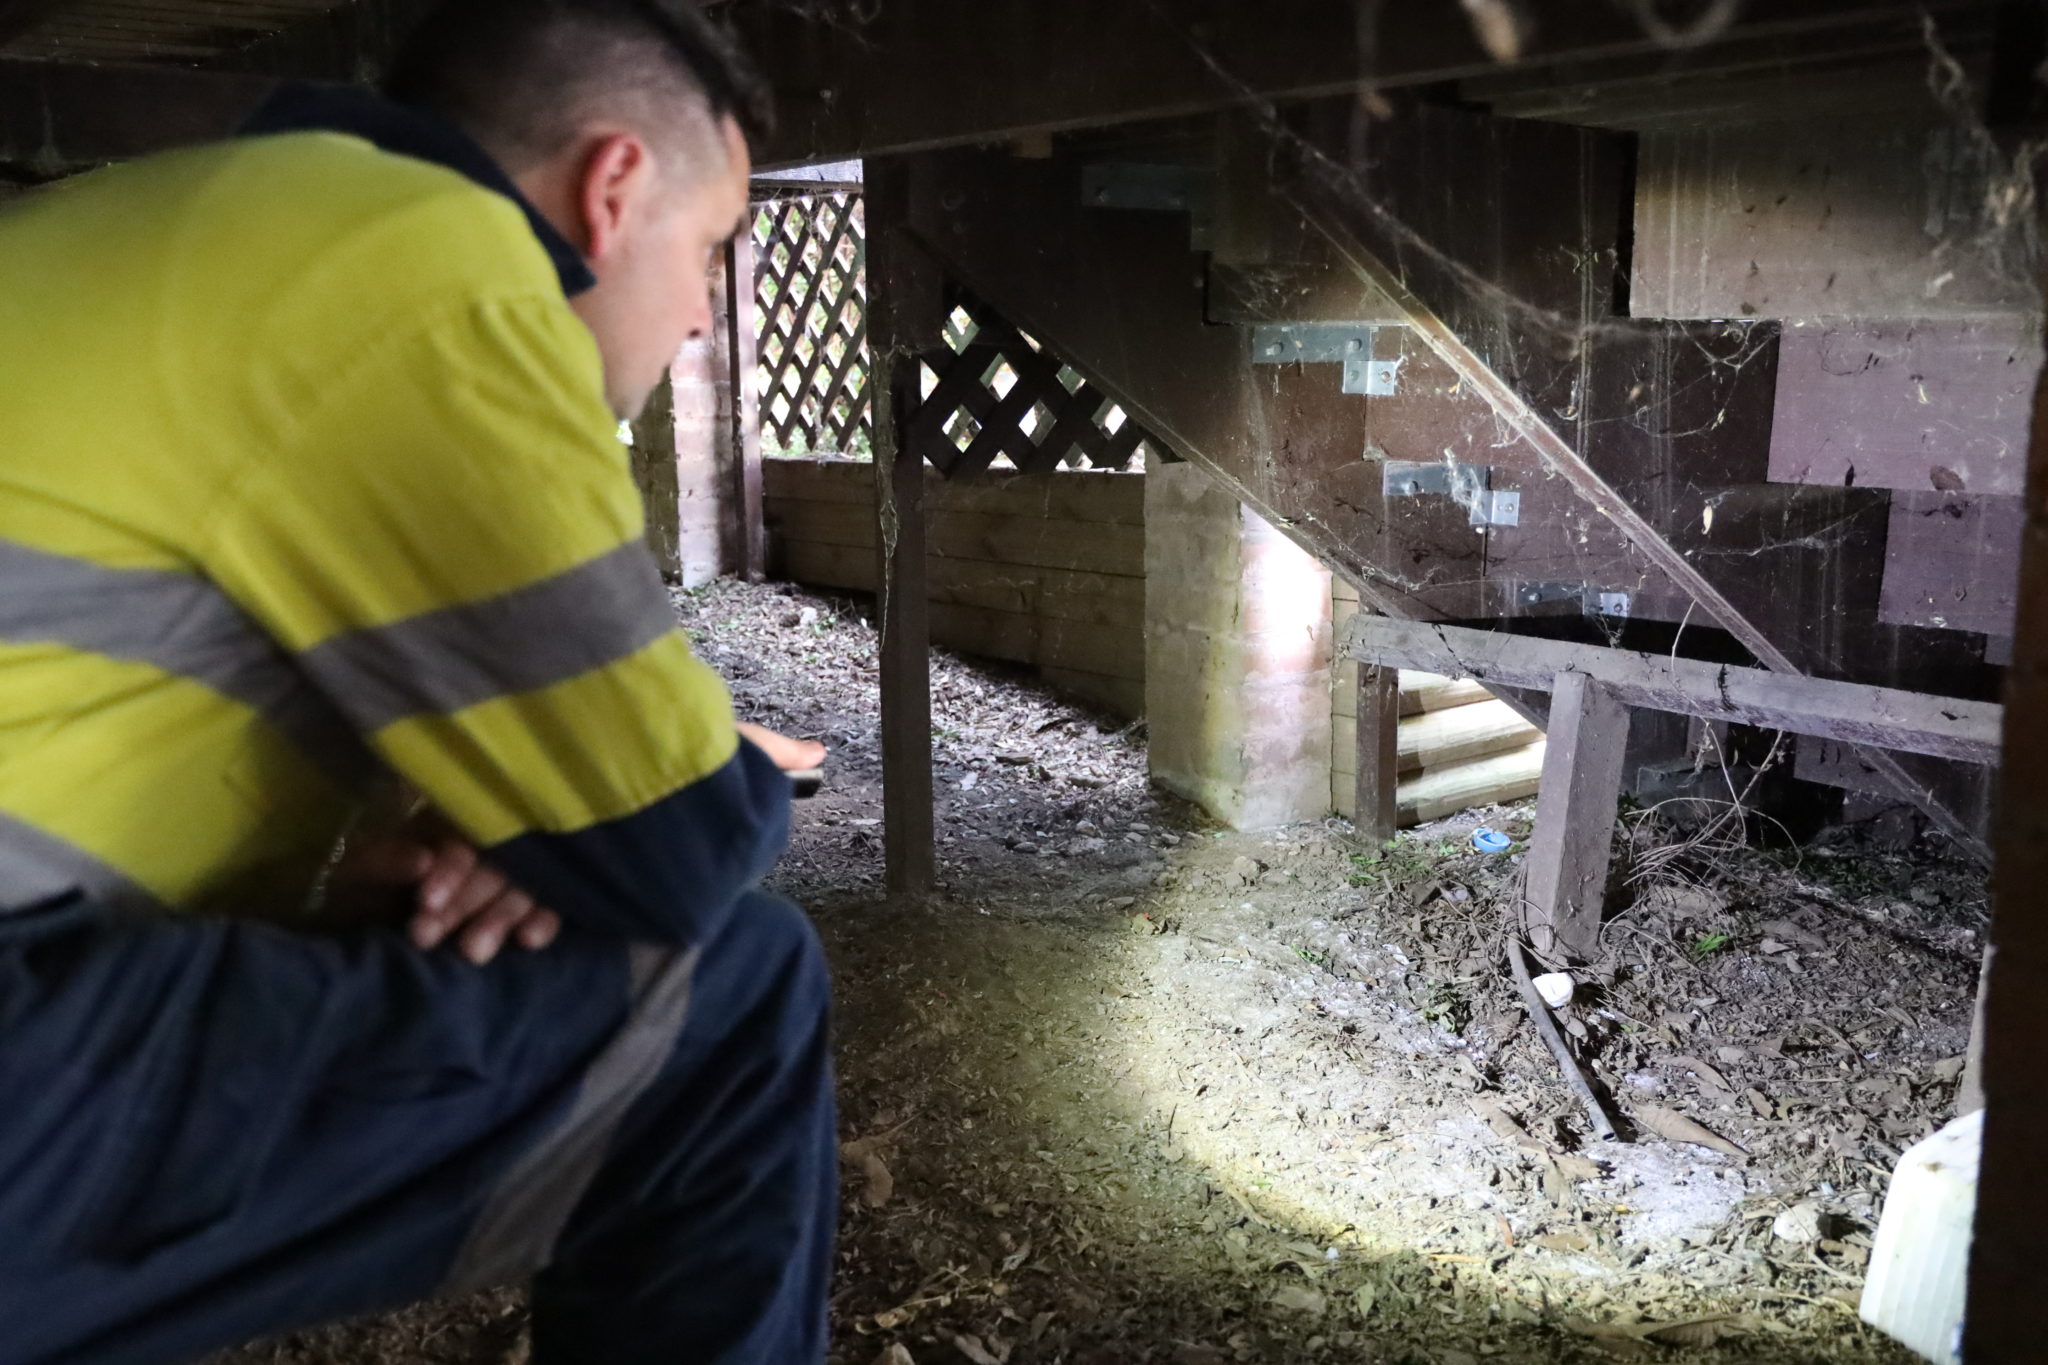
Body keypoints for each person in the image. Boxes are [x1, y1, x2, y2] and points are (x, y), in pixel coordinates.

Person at [0, 3, 836, 1361]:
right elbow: (672, 830)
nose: (697, 313)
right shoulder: (423, 254)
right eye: (711, 251)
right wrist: (613, 824)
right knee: (725, 1005)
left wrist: (502, 838)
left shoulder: (197, 232)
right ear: (613, 187)